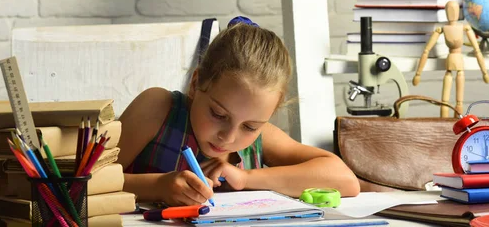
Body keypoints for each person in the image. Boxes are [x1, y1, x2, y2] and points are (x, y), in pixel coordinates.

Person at [118, 16, 360, 206]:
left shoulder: (261, 139)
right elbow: (84, 184)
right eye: (219, 114)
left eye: (250, 126)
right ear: (195, 83)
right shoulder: (159, 108)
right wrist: (158, 186)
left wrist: (246, 178)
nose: (229, 137)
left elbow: (346, 181)